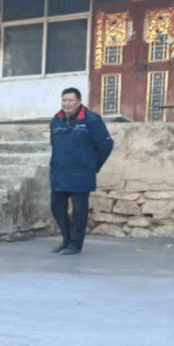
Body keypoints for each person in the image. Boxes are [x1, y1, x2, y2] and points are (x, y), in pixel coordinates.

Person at [49, 87, 115, 255]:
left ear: (78, 102)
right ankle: (66, 240)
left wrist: (93, 165)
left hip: (82, 173)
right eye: (64, 100)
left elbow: (106, 144)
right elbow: (54, 145)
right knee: (57, 208)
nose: (67, 104)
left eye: (70, 100)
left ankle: (75, 244)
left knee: (79, 211)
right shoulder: (56, 120)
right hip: (60, 172)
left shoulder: (91, 120)